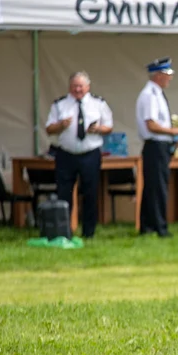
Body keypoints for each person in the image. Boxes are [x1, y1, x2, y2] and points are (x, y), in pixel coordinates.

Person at [45, 71, 114, 238]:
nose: (77, 89)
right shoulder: (60, 104)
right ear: (69, 87)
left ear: (88, 87)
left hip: (90, 153)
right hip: (66, 154)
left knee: (90, 193)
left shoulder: (98, 103)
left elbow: (109, 127)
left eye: (81, 86)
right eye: (74, 86)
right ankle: (63, 231)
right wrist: (61, 125)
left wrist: (98, 129)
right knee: (64, 193)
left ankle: (88, 232)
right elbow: (49, 129)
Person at [136, 57, 178, 238]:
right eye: (167, 75)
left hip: (160, 145)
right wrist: (173, 131)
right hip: (155, 145)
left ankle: (148, 225)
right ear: (159, 75)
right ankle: (160, 227)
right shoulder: (150, 95)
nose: (170, 79)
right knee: (158, 188)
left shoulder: (157, 93)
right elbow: (151, 125)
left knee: (154, 187)